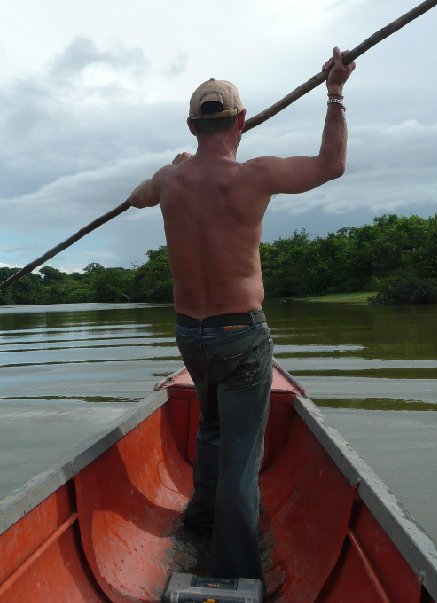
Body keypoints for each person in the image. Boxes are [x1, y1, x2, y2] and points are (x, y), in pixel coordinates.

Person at [128, 46, 356, 582]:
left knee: (209, 429)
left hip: (191, 334)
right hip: (240, 335)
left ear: (191, 125)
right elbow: (332, 166)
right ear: (242, 121)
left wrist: (176, 168)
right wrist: (335, 94)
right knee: (239, 453)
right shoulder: (255, 175)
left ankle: (201, 516)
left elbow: (136, 197)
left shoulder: (167, 181)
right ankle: (235, 570)